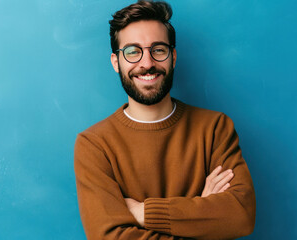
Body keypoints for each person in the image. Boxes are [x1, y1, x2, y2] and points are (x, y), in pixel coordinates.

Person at [74, 1, 256, 239]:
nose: (147, 63)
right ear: (116, 62)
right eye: (132, 52)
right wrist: (202, 216)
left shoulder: (215, 128)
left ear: (173, 57)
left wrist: (143, 212)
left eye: (158, 49)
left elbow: (240, 215)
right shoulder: (94, 145)